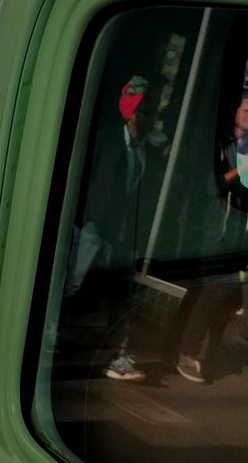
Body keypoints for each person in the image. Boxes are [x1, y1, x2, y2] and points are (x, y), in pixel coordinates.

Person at [75, 76, 167, 381]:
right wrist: (86, 215)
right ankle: (45, 338)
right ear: (130, 114)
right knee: (72, 282)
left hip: (122, 230)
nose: (149, 119)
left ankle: (118, 355)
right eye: (143, 113)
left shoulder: (149, 149)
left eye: (152, 114)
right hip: (95, 224)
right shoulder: (107, 140)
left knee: (120, 291)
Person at [175, 94, 248, 382]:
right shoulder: (224, 148)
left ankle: (182, 348)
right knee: (213, 292)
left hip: (236, 236)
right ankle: (186, 353)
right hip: (214, 232)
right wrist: (241, 171)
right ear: (236, 113)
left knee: (213, 293)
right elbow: (207, 185)